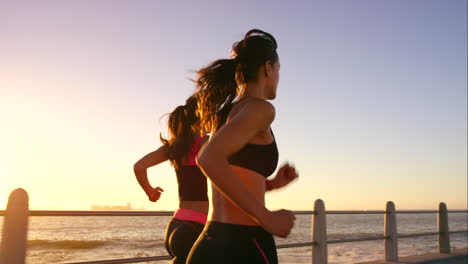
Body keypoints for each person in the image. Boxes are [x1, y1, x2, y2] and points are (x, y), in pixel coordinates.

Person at [187, 29, 298, 264]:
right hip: (244, 246)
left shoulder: (226, 114)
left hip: (209, 243)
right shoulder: (261, 108)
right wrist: (266, 217)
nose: (278, 77)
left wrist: (271, 184)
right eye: (279, 70)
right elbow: (208, 159)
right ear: (268, 67)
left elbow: (226, 177)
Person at [133, 95, 208, 264]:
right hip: (198, 227)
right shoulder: (208, 143)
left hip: (176, 225)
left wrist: (150, 192)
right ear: (203, 117)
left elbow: (139, 166)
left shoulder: (174, 146)